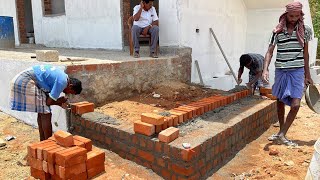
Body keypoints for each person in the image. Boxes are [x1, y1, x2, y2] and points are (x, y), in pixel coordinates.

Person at [262, 2, 313, 146]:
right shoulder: (277, 31)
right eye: (291, 15)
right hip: (281, 70)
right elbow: (270, 51)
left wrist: (307, 75)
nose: (293, 18)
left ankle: (282, 133)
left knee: (295, 105)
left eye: (297, 16)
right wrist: (265, 69)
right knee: (280, 100)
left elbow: (306, 53)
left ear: (300, 15)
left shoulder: (305, 30)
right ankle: (281, 133)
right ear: (286, 14)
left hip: (297, 71)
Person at [10, 65, 82, 141]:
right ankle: (48, 143)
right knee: (46, 113)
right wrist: (59, 101)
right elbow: (48, 102)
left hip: (21, 78)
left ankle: (43, 141)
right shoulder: (62, 82)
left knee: (42, 112)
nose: (68, 93)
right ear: (70, 86)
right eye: (71, 92)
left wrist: (59, 102)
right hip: (25, 80)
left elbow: (47, 98)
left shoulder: (63, 77)